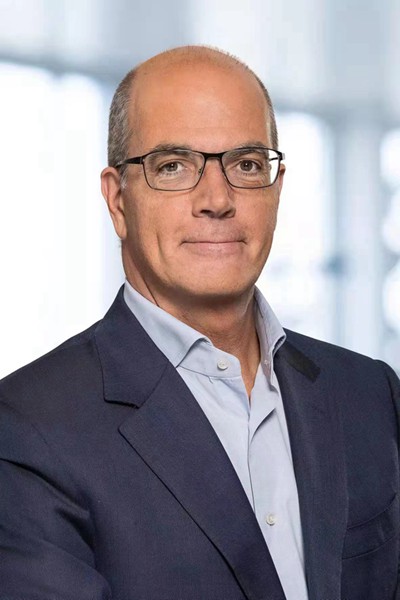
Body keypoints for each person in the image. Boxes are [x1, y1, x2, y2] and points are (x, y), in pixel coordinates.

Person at [0, 45, 399, 600]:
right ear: (117, 201)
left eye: (247, 164)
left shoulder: (371, 394)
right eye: (173, 166)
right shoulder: (28, 429)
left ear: (277, 190)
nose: (217, 199)